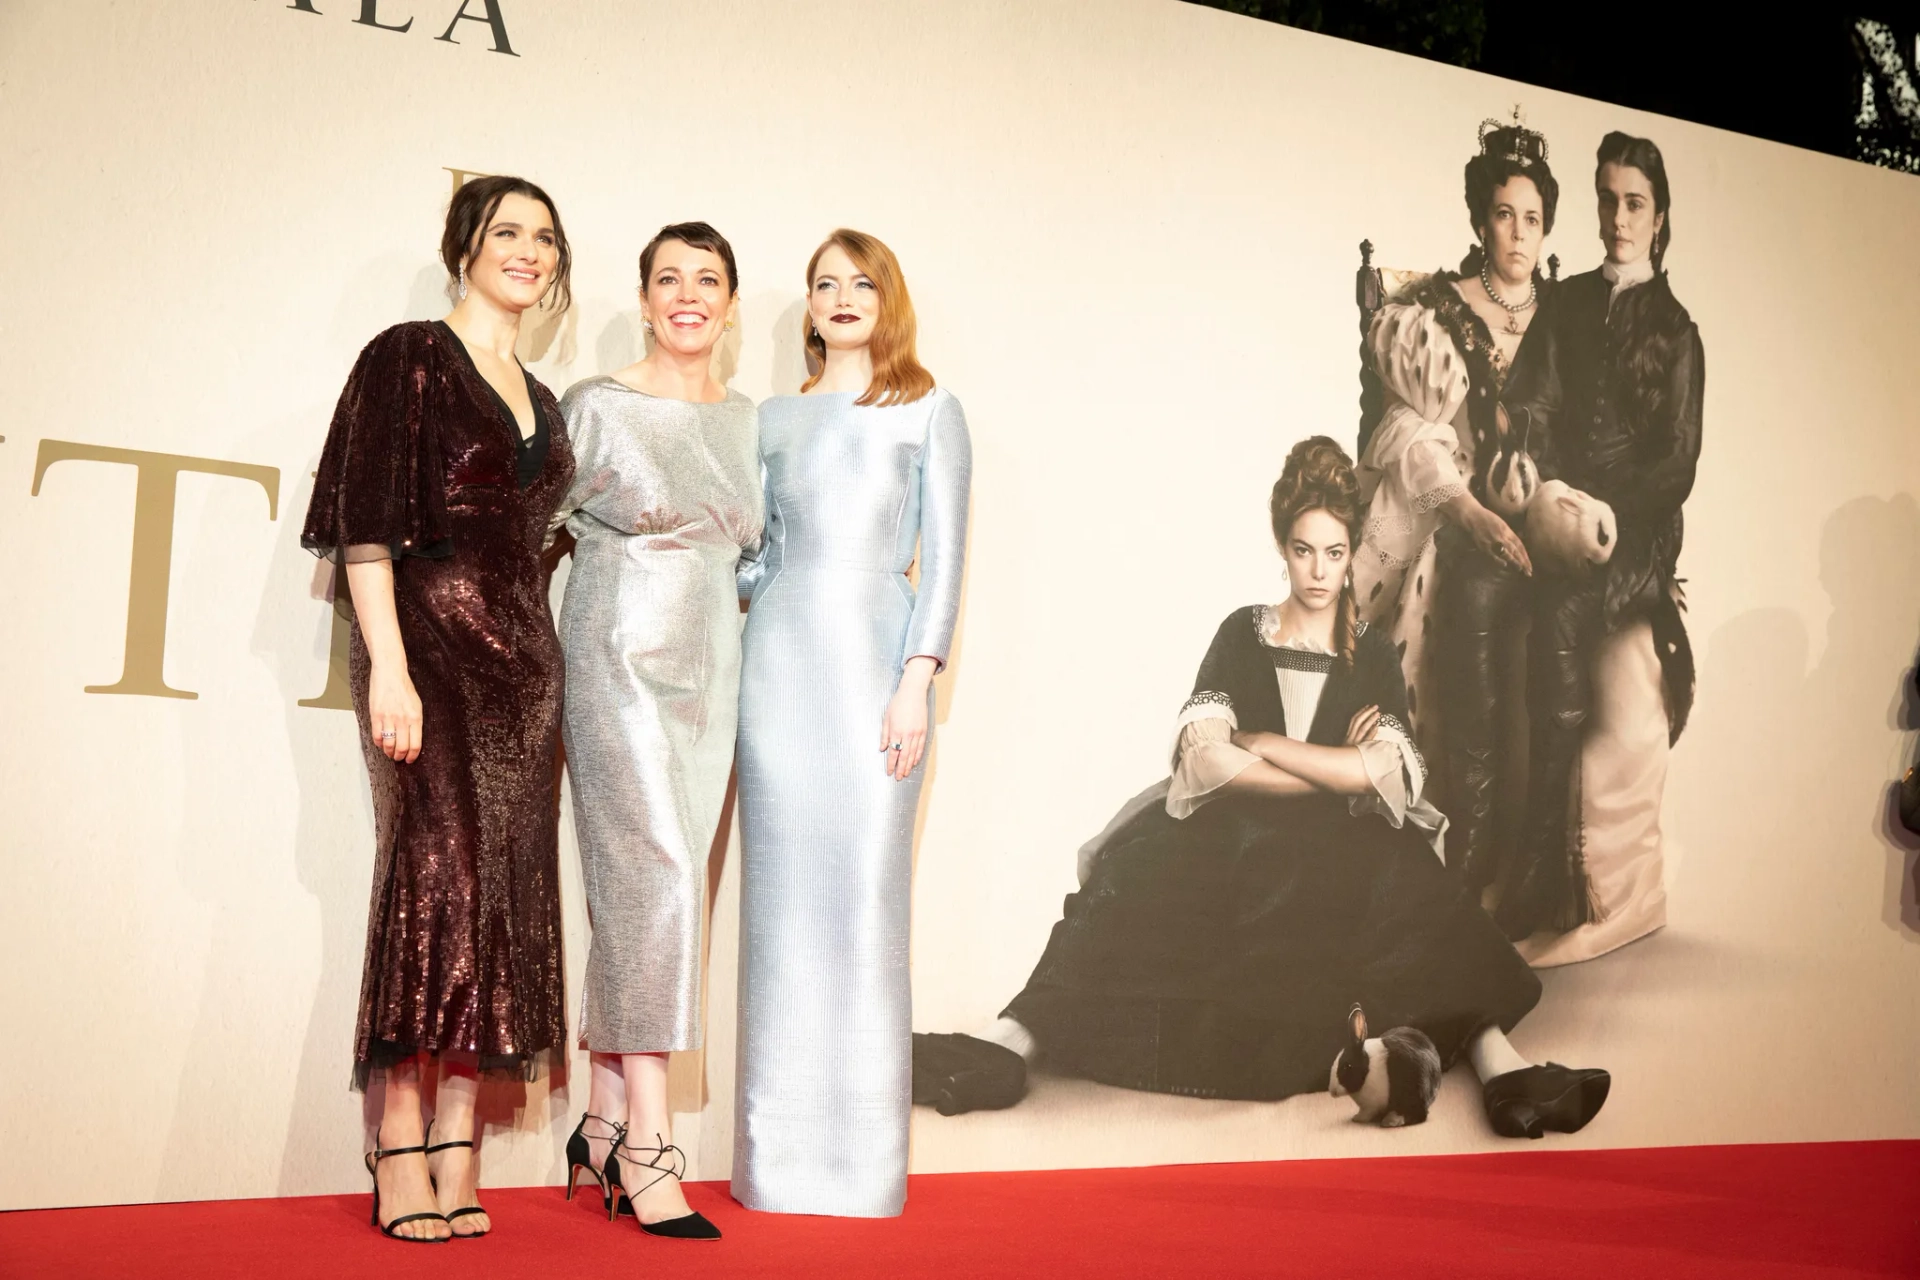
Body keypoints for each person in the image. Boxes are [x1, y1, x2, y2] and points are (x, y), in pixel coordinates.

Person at [916, 438, 1608, 1141]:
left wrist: (1272, 745)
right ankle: (1008, 1044)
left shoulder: (1368, 650)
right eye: (1305, 550)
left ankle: (1504, 1070)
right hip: (1233, 839)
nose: (1320, 571)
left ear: (1351, 553)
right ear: (1284, 546)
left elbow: (1386, 774)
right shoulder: (1241, 635)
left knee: (1421, 891)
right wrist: (1331, 767)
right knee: (1131, 878)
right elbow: (1206, 764)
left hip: (1339, 847)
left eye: (1335, 553)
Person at [300, 175, 577, 1241]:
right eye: (508, 230)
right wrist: (392, 667)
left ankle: (461, 1139)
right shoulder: (406, 354)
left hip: (525, 673)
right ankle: (398, 1138)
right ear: (465, 245)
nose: (529, 250)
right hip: (428, 654)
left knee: (501, 898)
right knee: (433, 883)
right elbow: (366, 524)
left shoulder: (542, 396)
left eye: (545, 238)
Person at [731, 229, 971, 1216]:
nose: (840, 297)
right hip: (778, 674)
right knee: (779, 918)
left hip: (878, 671)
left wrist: (916, 677)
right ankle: (774, 1168)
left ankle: (863, 1167)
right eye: (823, 283)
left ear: (888, 298)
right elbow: (754, 547)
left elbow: (947, 561)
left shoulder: (929, 409)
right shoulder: (771, 416)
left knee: (866, 913)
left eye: (859, 281)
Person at [552, 223, 760, 1240]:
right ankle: (647, 1143)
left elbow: (755, 556)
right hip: (615, 654)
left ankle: (597, 1119)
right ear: (642, 298)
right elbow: (525, 530)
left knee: (648, 887)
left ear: (729, 303)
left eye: (706, 280)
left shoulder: (745, 420)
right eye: (669, 278)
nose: (687, 295)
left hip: (712, 667)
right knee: (661, 875)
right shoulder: (593, 406)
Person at [1495, 132, 1703, 939]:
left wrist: (1607, 513)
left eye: (1635, 203)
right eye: (1609, 200)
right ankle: (1522, 864)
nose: (1620, 218)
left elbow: (1676, 463)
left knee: (1563, 622)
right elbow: (1535, 402)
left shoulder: (1679, 331)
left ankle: (1550, 876)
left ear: (1658, 216)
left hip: (1637, 538)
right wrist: (1535, 478)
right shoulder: (1571, 303)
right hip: (1560, 516)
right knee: (1517, 615)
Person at [1352, 117, 1557, 892]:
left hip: (1545, 508)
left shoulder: (1564, 320)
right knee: (1447, 612)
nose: (1518, 233)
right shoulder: (1435, 313)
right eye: (1504, 214)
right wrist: (1471, 509)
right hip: (1457, 513)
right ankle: (1450, 856)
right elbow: (1409, 428)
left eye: (1533, 219)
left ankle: (1534, 864)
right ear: (1481, 218)